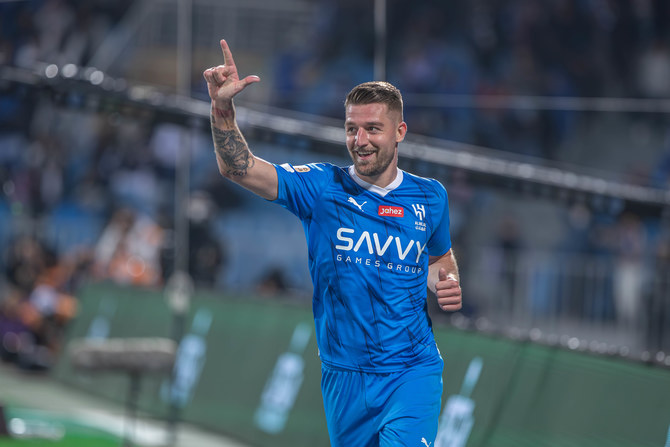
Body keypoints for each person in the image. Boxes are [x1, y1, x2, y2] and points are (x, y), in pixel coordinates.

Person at [203, 39, 462, 446]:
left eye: (373, 128)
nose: (360, 140)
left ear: (400, 132)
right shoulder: (322, 187)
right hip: (344, 377)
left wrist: (445, 280)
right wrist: (222, 108)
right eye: (351, 129)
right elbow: (239, 168)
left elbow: (439, 257)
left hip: (411, 371)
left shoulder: (431, 196)